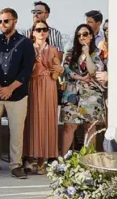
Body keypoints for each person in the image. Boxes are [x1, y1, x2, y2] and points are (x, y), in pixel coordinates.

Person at [0, 9, 34, 179]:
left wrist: (10, 88)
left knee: (17, 131)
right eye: (0, 21)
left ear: (15, 21)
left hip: (17, 95)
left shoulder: (25, 43)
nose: (2, 25)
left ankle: (16, 165)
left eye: (6, 21)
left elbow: (26, 70)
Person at [59, 24, 107, 153]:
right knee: (69, 126)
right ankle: (62, 160)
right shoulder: (71, 52)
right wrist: (80, 78)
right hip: (72, 94)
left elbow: (93, 71)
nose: (82, 37)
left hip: (91, 95)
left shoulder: (97, 53)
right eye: (79, 35)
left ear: (91, 36)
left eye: (85, 34)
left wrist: (86, 53)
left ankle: (88, 160)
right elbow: (66, 69)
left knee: (89, 127)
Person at [24, 21, 61, 171]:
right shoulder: (28, 49)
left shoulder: (52, 49)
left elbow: (56, 72)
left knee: (47, 120)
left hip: (49, 86)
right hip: (32, 85)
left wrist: (59, 69)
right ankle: (29, 156)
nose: (41, 32)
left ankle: (43, 158)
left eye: (44, 29)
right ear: (33, 32)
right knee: (32, 120)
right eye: (38, 30)